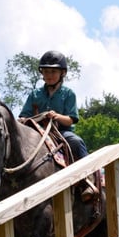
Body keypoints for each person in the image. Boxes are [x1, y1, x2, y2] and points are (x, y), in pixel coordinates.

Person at [20, 50, 97, 201]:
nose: (49, 75)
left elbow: (71, 119)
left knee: (76, 142)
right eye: (46, 71)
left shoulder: (68, 94)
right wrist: (23, 120)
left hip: (61, 132)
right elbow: (24, 115)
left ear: (62, 73)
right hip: (37, 132)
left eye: (53, 71)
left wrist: (56, 116)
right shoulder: (34, 94)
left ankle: (89, 177)